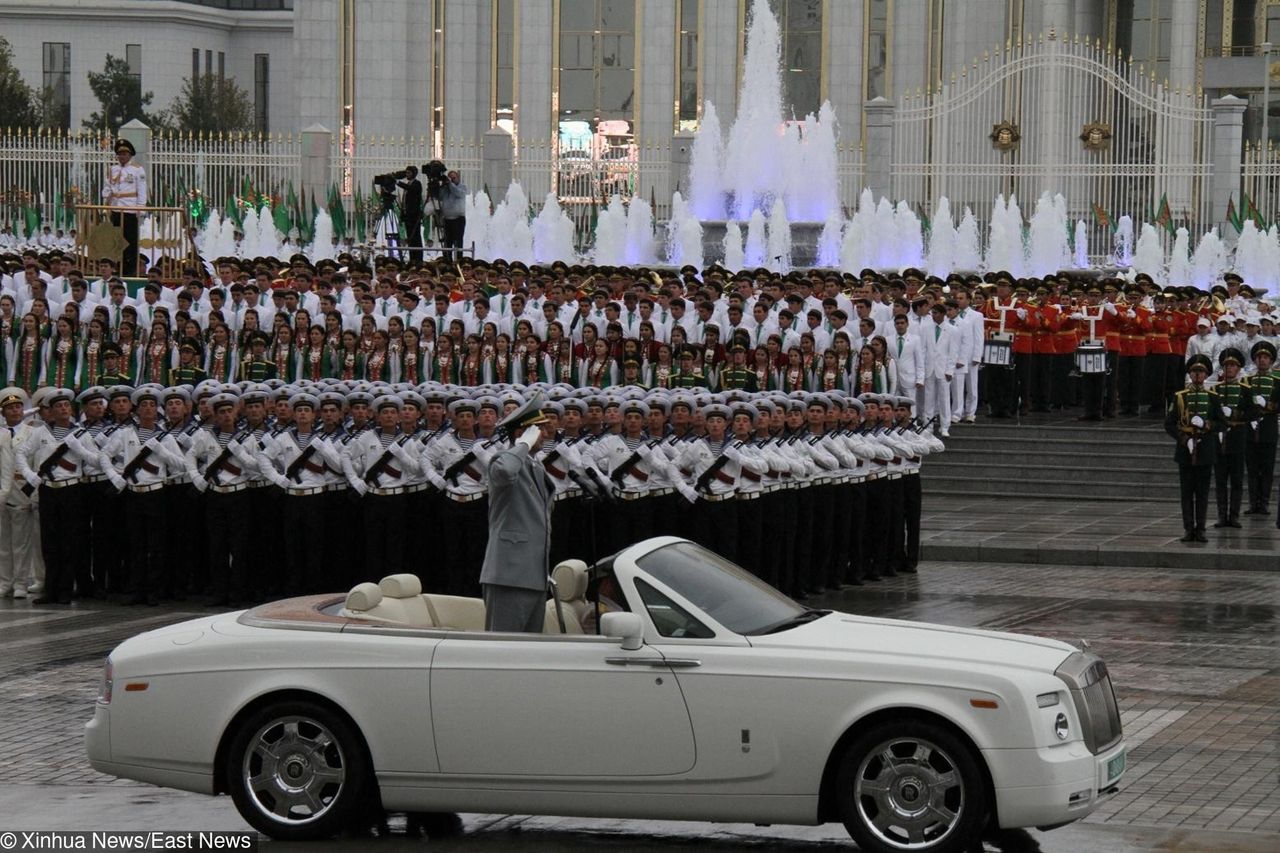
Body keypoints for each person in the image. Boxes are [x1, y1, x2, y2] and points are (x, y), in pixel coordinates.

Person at [479, 393, 555, 633]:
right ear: (522, 433)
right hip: (509, 574)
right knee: (502, 649)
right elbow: (505, 473)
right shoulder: (503, 459)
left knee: (528, 653)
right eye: (538, 429)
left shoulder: (537, 466)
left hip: (535, 574)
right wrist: (523, 443)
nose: (545, 434)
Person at [1165, 354, 1222, 543]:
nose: (1198, 375)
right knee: (1187, 493)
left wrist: (1207, 425)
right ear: (1190, 374)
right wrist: (1184, 438)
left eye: (1201, 372)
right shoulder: (1180, 396)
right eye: (1194, 372)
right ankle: (1189, 528)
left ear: (1206, 375)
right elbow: (1169, 423)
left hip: (1205, 448)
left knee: (1203, 492)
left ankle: (1201, 528)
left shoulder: (1213, 397)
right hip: (1185, 449)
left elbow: (1222, 423)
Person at [102, 139, 147, 275]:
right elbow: (108, 186)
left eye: (124, 153)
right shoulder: (113, 169)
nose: (122, 156)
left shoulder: (137, 169)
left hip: (130, 209)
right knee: (117, 241)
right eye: (119, 153)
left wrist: (141, 207)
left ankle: (130, 269)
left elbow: (142, 189)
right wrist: (106, 197)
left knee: (130, 242)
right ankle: (118, 266)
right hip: (116, 209)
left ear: (130, 154)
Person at [440, 169, 468, 263]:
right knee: (447, 242)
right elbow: (439, 196)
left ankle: (459, 261)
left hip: (458, 218)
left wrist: (449, 184)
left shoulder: (463, 187)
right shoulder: (446, 187)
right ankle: (447, 261)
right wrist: (442, 186)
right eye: (450, 178)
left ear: (458, 178)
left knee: (458, 241)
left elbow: (458, 193)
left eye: (454, 178)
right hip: (447, 219)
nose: (452, 180)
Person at [398, 166, 424, 263]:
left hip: (414, 216)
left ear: (413, 173)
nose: (407, 175)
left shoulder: (417, 184)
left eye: (409, 173)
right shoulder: (409, 184)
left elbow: (411, 189)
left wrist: (398, 182)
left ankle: (418, 258)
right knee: (410, 238)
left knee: (415, 237)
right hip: (408, 215)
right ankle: (412, 258)